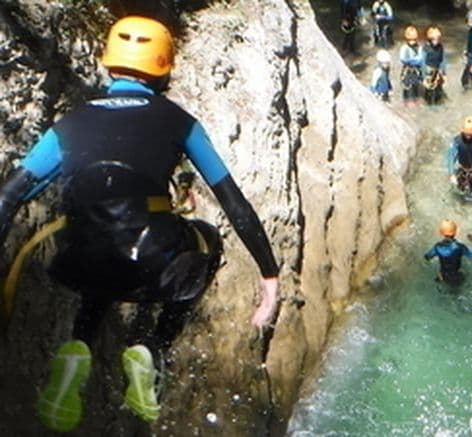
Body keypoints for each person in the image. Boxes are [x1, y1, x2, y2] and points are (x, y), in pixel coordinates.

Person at [0, 16, 280, 431]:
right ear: (164, 66)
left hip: (79, 263)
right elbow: (232, 201)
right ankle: (153, 350)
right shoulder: (178, 121)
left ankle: (79, 346)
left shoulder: (69, 124)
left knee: (101, 255)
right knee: (207, 239)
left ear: (109, 62)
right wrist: (269, 275)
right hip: (154, 263)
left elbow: (9, 196)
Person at [424, 219, 472, 285]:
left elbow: (427, 257)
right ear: (455, 232)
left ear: (441, 232)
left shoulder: (437, 247)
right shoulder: (460, 247)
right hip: (458, 278)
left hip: (444, 277)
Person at [398, 26, 424, 106]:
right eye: (410, 39)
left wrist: (412, 61)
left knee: (417, 93)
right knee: (408, 92)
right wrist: (414, 61)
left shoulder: (419, 48)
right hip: (407, 73)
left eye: (414, 39)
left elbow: (421, 59)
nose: (412, 41)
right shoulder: (404, 48)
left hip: (417, 73)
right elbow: (403, 59)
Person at [422, 26, 447, 105]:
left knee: (438, 92)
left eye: (438, 39)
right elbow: (422, 62)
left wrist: (444, 73)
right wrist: (423, 77)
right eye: (434, 39)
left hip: (438, 71)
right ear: (430, 39)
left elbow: (443, 60)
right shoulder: (425, 48)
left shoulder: (440, 47)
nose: (436, 41)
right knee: (429, 92)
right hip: (428, 72)